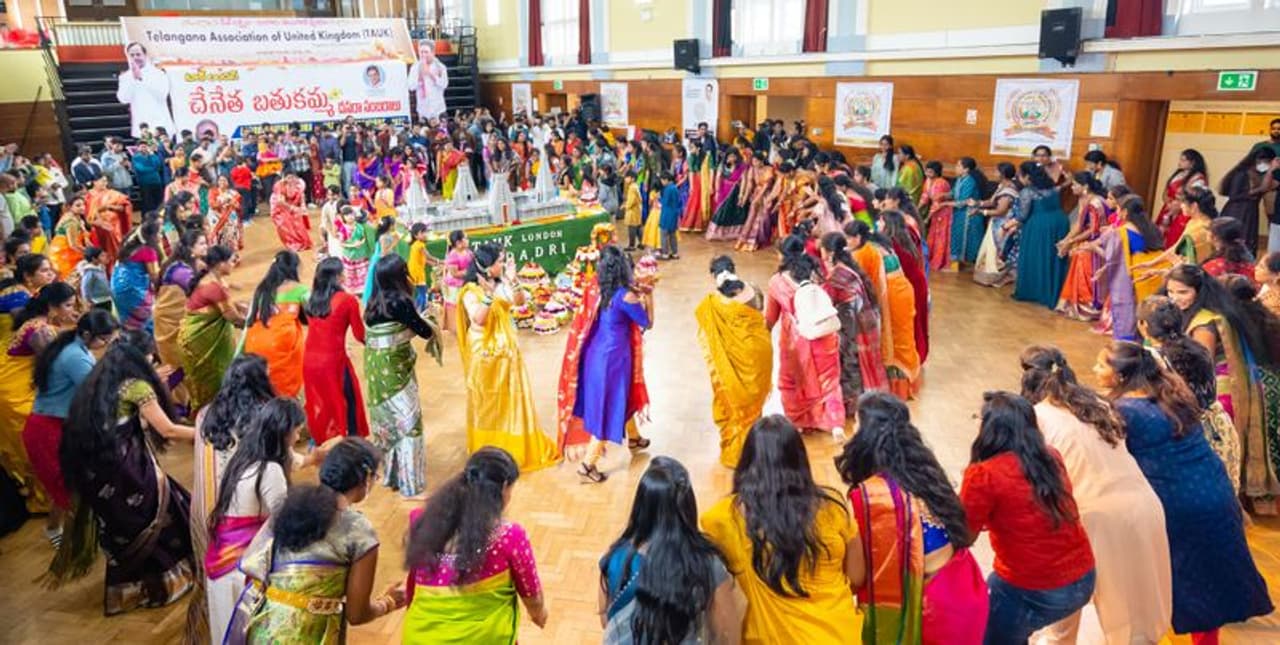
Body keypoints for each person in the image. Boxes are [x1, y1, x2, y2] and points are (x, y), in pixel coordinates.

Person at [1096, 341, 1273, 639]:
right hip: (1215, 493)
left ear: (1122, 377)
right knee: (1209, 586)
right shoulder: (1173, 395)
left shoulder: (1125, 411)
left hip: (1177, 507)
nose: (1095, 370)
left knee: (1163, 584)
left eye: (1102, 365)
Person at [1018, 346, 1173, 644]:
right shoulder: (1097, 405)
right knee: (1135, 619)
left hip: (1093, 516)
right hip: (1144, 505)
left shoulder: (1036, 417)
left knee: (1060, 617)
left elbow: (1034, 484)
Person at [53, 331, 196, 615]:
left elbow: (123, 423)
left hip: (95, 472)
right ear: (142, 359)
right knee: (156, 514)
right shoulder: (136, 385)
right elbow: (166, 429)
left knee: (123, 525)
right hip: (124, 469)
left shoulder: (99, 380)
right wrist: (206, 432)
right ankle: (165, 584)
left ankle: (134, 590)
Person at [835, 392, 988, 644]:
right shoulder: (924, 469)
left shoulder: (872, 495)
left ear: (869, 435)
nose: (854, 430)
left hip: (932, 609)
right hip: (964, 586)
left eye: (858, 424)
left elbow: (858, 577)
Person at [700, 415, 864, 643]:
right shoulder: (833, 510)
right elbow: (857, 576)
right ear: (800, 460)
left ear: (747, 462)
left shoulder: (722, 520)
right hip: (838, 635)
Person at [224, 438, 407, 642]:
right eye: (375, 477)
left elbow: (254, 564)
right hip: (308, 633)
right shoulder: (358, 531)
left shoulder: (288, 508)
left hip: (264, 625)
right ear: (365, 478)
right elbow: (357, 614)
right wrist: (388, 602)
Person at [960, 392, 1096, 645]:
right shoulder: (1050, 457)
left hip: (1037, 587)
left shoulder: (983, 475)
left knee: (989, 630)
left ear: (991, 428)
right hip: (1084, 577)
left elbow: (963, 536)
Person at [402, 447, 547, 642]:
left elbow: (413, 581)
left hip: (420, 636)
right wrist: (539, 614)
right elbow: (531, 596)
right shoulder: (509, 537)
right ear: (504, 487)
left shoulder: (421, 520)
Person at [1165, 263, 1278, 509]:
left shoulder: (1204, 321)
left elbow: (1199, 364)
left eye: (1182, 292)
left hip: (1218, 387)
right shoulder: (1193, 314)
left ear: (1198, 291)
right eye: (1171, 292)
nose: (1175, 298)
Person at [600, 457, 743, 644]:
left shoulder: (615, 559)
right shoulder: (706, 563)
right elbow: (729, 634)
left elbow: (606, 620)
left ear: (641, 506)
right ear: (688, 507)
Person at [203, 398, 305, 642]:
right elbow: (284, 525)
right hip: (242, 568)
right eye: (297, 429)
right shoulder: (269, 470)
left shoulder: (242, 460)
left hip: (220, 561)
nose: (299, 436)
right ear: (284, 432)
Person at [455, 243, 558, 470]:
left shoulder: (500, 283)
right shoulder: (471, 291)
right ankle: (489, 450)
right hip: (484, 357)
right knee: (487, 403)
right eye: (499, 262)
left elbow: (520, 302)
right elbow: (479, 319)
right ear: (485, 266)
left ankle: (511, 448)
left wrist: (513, 279)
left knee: (509, 401)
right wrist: (489, 297)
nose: (502, 265)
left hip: (507, 357)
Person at [557, 245, 654, 482]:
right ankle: (588, 466)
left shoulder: (597, 289)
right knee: (607, 406)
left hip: (595, 355)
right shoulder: (626, 296)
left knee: (620, 395)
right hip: (614, 359)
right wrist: (650, 295)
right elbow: (647, 322)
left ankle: (634, 437)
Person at [22, 309, 116, 541]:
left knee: (73, 484)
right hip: (47, 429)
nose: (105, 343)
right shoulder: (75, 356)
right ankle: (56, 530)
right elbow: (97, 391)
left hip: (56, 424)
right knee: (68, 487)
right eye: (103, 339)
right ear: (86, 334)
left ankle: (78, 530)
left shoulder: (74, 347)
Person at [1138, 296, 1243, 494]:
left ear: (1143, 325)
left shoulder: (1152, 358)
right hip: (1218, 429)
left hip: (1184, 435)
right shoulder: (1198, 348)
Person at [0, 282, 78, 518]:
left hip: (16, 382)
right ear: (52, 307)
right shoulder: (40, 330)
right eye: (67, 306)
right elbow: (56, 368)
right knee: (38, 444)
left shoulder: (39, 323)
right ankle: (46, 500)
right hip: (14, 392)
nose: (71, 311)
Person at [365, 254, 439, 498]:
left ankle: (392, 475)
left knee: (387, 421)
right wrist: (431, 320)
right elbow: (424, 332)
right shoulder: (400, 301)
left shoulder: (372, 303)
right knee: (408, 424)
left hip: (376, 368)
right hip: (395, 368)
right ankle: (411, 486)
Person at [694, 256, 771, 468]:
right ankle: (755, 449)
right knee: (753, 405)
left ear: (713, 275)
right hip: (758, 354)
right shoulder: (754, 290)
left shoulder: (712, 302)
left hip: (731, 364)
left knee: (734, 403)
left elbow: (704, 327)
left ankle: (737, 453)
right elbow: (760, 312)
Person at [765, 236, 845, 438]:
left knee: (793, 379)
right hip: (825, 332)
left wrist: (761, 337)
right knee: (829, 381)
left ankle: (799, 421)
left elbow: (770, 317)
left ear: (782, 255)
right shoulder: (817, 272)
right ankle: (835, 423)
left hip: (796, 337)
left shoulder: (777, 281)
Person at [303, 257, 369, 445]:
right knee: (349, 401)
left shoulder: (310, 300)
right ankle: (351, 444)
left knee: (322, 402)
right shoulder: (348, 301)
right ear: (338, 277)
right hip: (333, 362)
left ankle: (322, 440)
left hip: (309, 360)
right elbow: (360, 335)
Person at [821, 232, 887, 414]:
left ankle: (850, 404)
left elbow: (826, 301)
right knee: (857, 363)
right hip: (863, 322)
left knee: (849, 363)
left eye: (823, 249)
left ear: (829, 253)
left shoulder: (837, 275)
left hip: (852, 326)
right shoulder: (849, 269)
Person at [180, 245, 244, 411]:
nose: (234, 263)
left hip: (197, 336)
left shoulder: (214, 280)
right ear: (220, 264)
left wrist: (244, 308)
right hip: (201, 341)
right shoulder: (214, 287)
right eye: (231, 261)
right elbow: (233, 318)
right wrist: (254, 320)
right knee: (212, 379)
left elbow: (226, 307)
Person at [1011, 161, 1071, 309]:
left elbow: (1022, 216)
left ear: (1026, 177)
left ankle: (1035, 292)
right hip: (1060, 222)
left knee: (1035, 257)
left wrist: (1007, 226)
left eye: (1020, 175)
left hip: (1039, 225)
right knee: (1053, 258)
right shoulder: (1051, 187)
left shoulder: (1027, 191)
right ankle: (1053, 292)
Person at [154, 229, 205, 383]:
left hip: (177, 322)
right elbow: (202, 293)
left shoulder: (187, 264)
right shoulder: (180, 271)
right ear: (190, 249)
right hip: (170, 326)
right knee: (178, 365)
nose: (206, 246)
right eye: (202, 244)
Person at [1054, 172, 1106, 321]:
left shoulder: (1096, 203)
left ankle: (1088, 306)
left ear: (1085, 187)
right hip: (1086, 239)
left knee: (1081, 255)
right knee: (1074, 253)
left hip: (1098, 242)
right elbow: (1079, 224)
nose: (1072, 188)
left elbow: (1093, 229)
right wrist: (1066, 240)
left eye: (1075, 185)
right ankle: (1072, 303)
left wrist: (1072, 242)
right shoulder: (1083, 199)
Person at [972, 162, 1021, 287]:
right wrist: (978, 203)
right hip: (995, 222)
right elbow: (992, 201)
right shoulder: (1001, 186)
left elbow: (1001, 211)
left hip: (1003, 225)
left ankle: (996, 276)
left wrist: (981, 212)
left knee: (999, 250)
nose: (994, 173)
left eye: (996, 171)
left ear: (1003, 174)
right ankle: (990, 275)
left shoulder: (1009, 190)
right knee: (992, 251)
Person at [1220, 147, 1277, 255]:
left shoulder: (1261, 175)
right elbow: (1234, 196)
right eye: (1266, 162)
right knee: (1235, 243)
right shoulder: (1242, 173)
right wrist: (1254, 192)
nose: (1267, 165)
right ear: (1256, 159)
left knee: (1247, 244)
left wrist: (1270, 172)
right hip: (1237, 211)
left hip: (1250, 212)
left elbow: (1268, 186)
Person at [110, 221, 162, 333]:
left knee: (128, 320)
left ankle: (128, 341)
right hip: (133, 288)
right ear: (152, 236)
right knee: (146, 319)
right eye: (159, 233)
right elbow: (155, 277)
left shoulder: (130, 245)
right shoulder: (148, 251)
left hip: (118, 285)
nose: (161, 236)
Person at [116, 42, 174, 137]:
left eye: (138, 54)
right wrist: (133, 80)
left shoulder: (159, 74)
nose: (135, 58)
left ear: (145, 55)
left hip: (161, 127)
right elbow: (123, 99)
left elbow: (162, 95)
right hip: (141, 130)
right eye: (132, 55)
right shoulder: (125, 77)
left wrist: (141, 79)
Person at [1156, 149, 1209, 247]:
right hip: (1168, 208)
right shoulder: (1179, 174)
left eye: (1183, 160)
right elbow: (1167, 191)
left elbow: (1194, 197)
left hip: (1183, 211)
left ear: (1192, 162)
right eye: (1180, 159)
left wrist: (1178, 205)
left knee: (1175, 238)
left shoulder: (1198, 178)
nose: (1180, 162)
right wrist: (1167, 201)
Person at [920, 161, 953, 272]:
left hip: (943, 212)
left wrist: (927, 218)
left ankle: (939, 262)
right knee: (933, 236)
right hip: (935, 212)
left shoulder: (941, 183)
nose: (927, 174)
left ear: (936, 172)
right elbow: (924, 197)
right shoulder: (928, 181)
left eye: (930, 172)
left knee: (941, 238)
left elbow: (937, 203)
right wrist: (916, 209)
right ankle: (931, 258)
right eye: (926, 171)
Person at [269, 170, 313, 252]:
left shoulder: (300, 184)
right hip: (279, 207)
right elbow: (280, 201)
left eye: (293, 177)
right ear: (284, 178)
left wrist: (303, 207)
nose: (291, 180)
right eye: (289, 178)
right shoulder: (279, 185)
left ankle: (303, 242)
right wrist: (292, 208)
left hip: (293, 204)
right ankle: (293, 244)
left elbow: (301, 195)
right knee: (285, 223)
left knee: (298, 222)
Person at [1202, 217, 1257, 282]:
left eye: (1208, 230)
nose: (1206, 233)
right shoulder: (1246, 255)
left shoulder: (1215, 265)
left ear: (1215, 237)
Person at [48, 195, 89, 279]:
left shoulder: (76, 218)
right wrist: (89, 253)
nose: (82, 207)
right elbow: (73, 245)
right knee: (69, 278)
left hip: (64, 252)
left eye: (83, 204)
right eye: (78, 205)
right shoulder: (71, 222)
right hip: (64, 255)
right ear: (70, 207)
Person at [441, 229, 472, 331]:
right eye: (466, 238)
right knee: (457, 307)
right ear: (458, 243)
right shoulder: (453, 255)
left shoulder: (468, 252)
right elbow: (455, 274)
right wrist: (469, 272)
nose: (468, 240)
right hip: (455, 286)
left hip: (467, 283)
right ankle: (458, 328)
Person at [658, 171, 683, 260]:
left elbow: (665, 202)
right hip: (674, 214)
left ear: (666, 180)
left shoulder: (668, 189)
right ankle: (675, 253)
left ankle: (665, 253)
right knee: (673, 235)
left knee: (664, 234)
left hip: (666, 214)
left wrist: (659, 199)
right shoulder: (675, 188)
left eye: (662, 180)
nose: (661, 182)